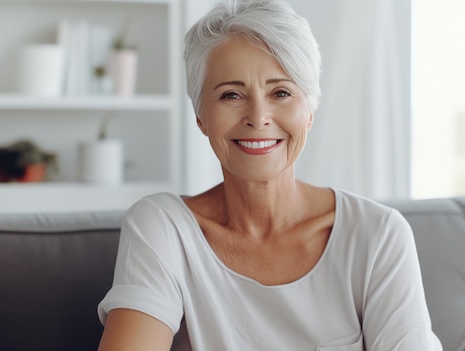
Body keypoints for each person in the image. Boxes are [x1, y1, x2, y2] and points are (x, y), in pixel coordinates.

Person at [97, 0, 442, 350]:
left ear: (309, 110)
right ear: (201, 116)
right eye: (231, 94)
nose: (258, 117)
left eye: (281, 92)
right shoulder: (164, 228)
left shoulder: (377, 235)